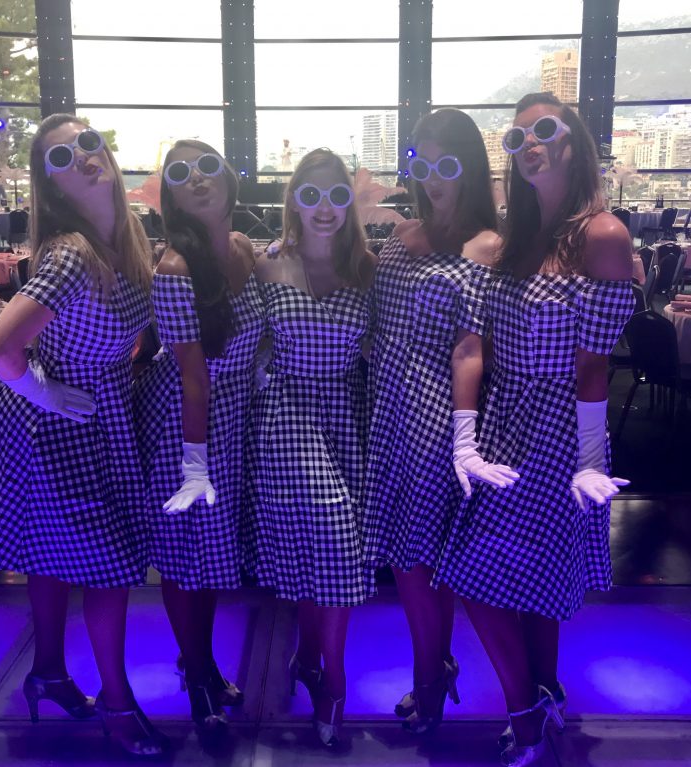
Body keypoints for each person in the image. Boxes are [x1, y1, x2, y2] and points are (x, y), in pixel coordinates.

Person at [436, 92, 636, 766]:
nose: (529, 144)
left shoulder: (601, 235)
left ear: (574, 142)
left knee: (479, 572)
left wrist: (589, 458)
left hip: (558, 430)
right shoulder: (515, 240)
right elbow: (476, 346)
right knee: (527, 576)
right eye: (516, 137)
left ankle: (523, 711)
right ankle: (543, 695)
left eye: (544, 130)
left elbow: (593, 365)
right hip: (503, 422)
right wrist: (466, 438)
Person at [0, 113, 166, 756]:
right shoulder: (73, 254)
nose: (82, 156)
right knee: (110, 567)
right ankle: (117, 703)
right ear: (50, 184)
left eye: (87, 143)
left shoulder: (126, 241)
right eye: (61, 157)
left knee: (51, 557)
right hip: (53, 423)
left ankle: (49, 673)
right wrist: (45, 392)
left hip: (93, 413)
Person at [362, 108, 503, 732]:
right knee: (406, 554)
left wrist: (463, 438)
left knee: (421, 552)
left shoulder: (486, 245)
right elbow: (370, 310)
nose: (434, 176)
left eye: (447, 163)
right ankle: (435, 665)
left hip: (436, 411)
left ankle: (429, 676)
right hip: (386, 404)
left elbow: (472, 348)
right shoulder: (402, 235)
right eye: (422, 162)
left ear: (469, 168)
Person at [132, 140, 263, 736]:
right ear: (171, 197)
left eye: (208, 166)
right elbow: (190, 377)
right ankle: (199, 677)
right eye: (181, 173)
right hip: (186, 423)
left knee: (210, 552)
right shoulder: (174, 269)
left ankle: (200, 661)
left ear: (228, 178)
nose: (198, 178)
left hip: (230, 412)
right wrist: (195, 464)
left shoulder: (242, 248)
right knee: (186, 558)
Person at [246, 148, 376, 747]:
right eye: (311, 195)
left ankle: (306, 655)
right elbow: (243, 338)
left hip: (346, 416)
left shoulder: (366, 268)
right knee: (335, 531)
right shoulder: (267, 263)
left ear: (350, 203)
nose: (324, 207)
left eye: (337, 195)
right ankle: (334, 680)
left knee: (314, 547)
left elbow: (381, 345)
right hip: (287, 414)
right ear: (293, 201)